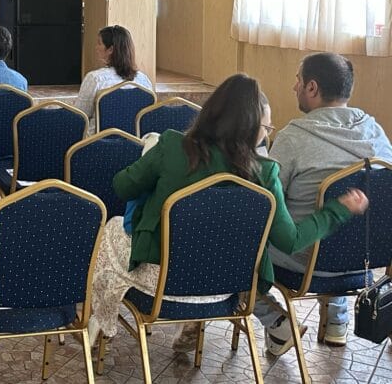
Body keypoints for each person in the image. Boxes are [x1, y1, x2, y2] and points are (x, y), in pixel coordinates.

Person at [88, 74, 368, 350]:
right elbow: (290, 241)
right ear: (249, 128)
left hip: (163, 284)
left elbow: (122, 187)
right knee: (229, 248)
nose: (266, 134)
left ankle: (100, 320)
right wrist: (336, 210)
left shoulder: (172, 145)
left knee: (113, 228)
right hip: (229, 286)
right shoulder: (265, 172)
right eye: (265, 128)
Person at [255, 53, 392, 354]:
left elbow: (266, 205)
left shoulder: (292, 138)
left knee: (240, 245)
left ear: (312, 87)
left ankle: (278, 325)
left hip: (304, 264)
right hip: (366, 261)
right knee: (337, 236)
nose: (294, 87)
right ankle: (336, 321)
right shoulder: (377, 134)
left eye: (298, 80)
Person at [76, 25, 153, 134]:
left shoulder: (95, 79)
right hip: (135, 141)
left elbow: (79, 116)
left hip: (98, 142)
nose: (96, 47)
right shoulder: (144, 81)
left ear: (110, 49)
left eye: (99, 43)